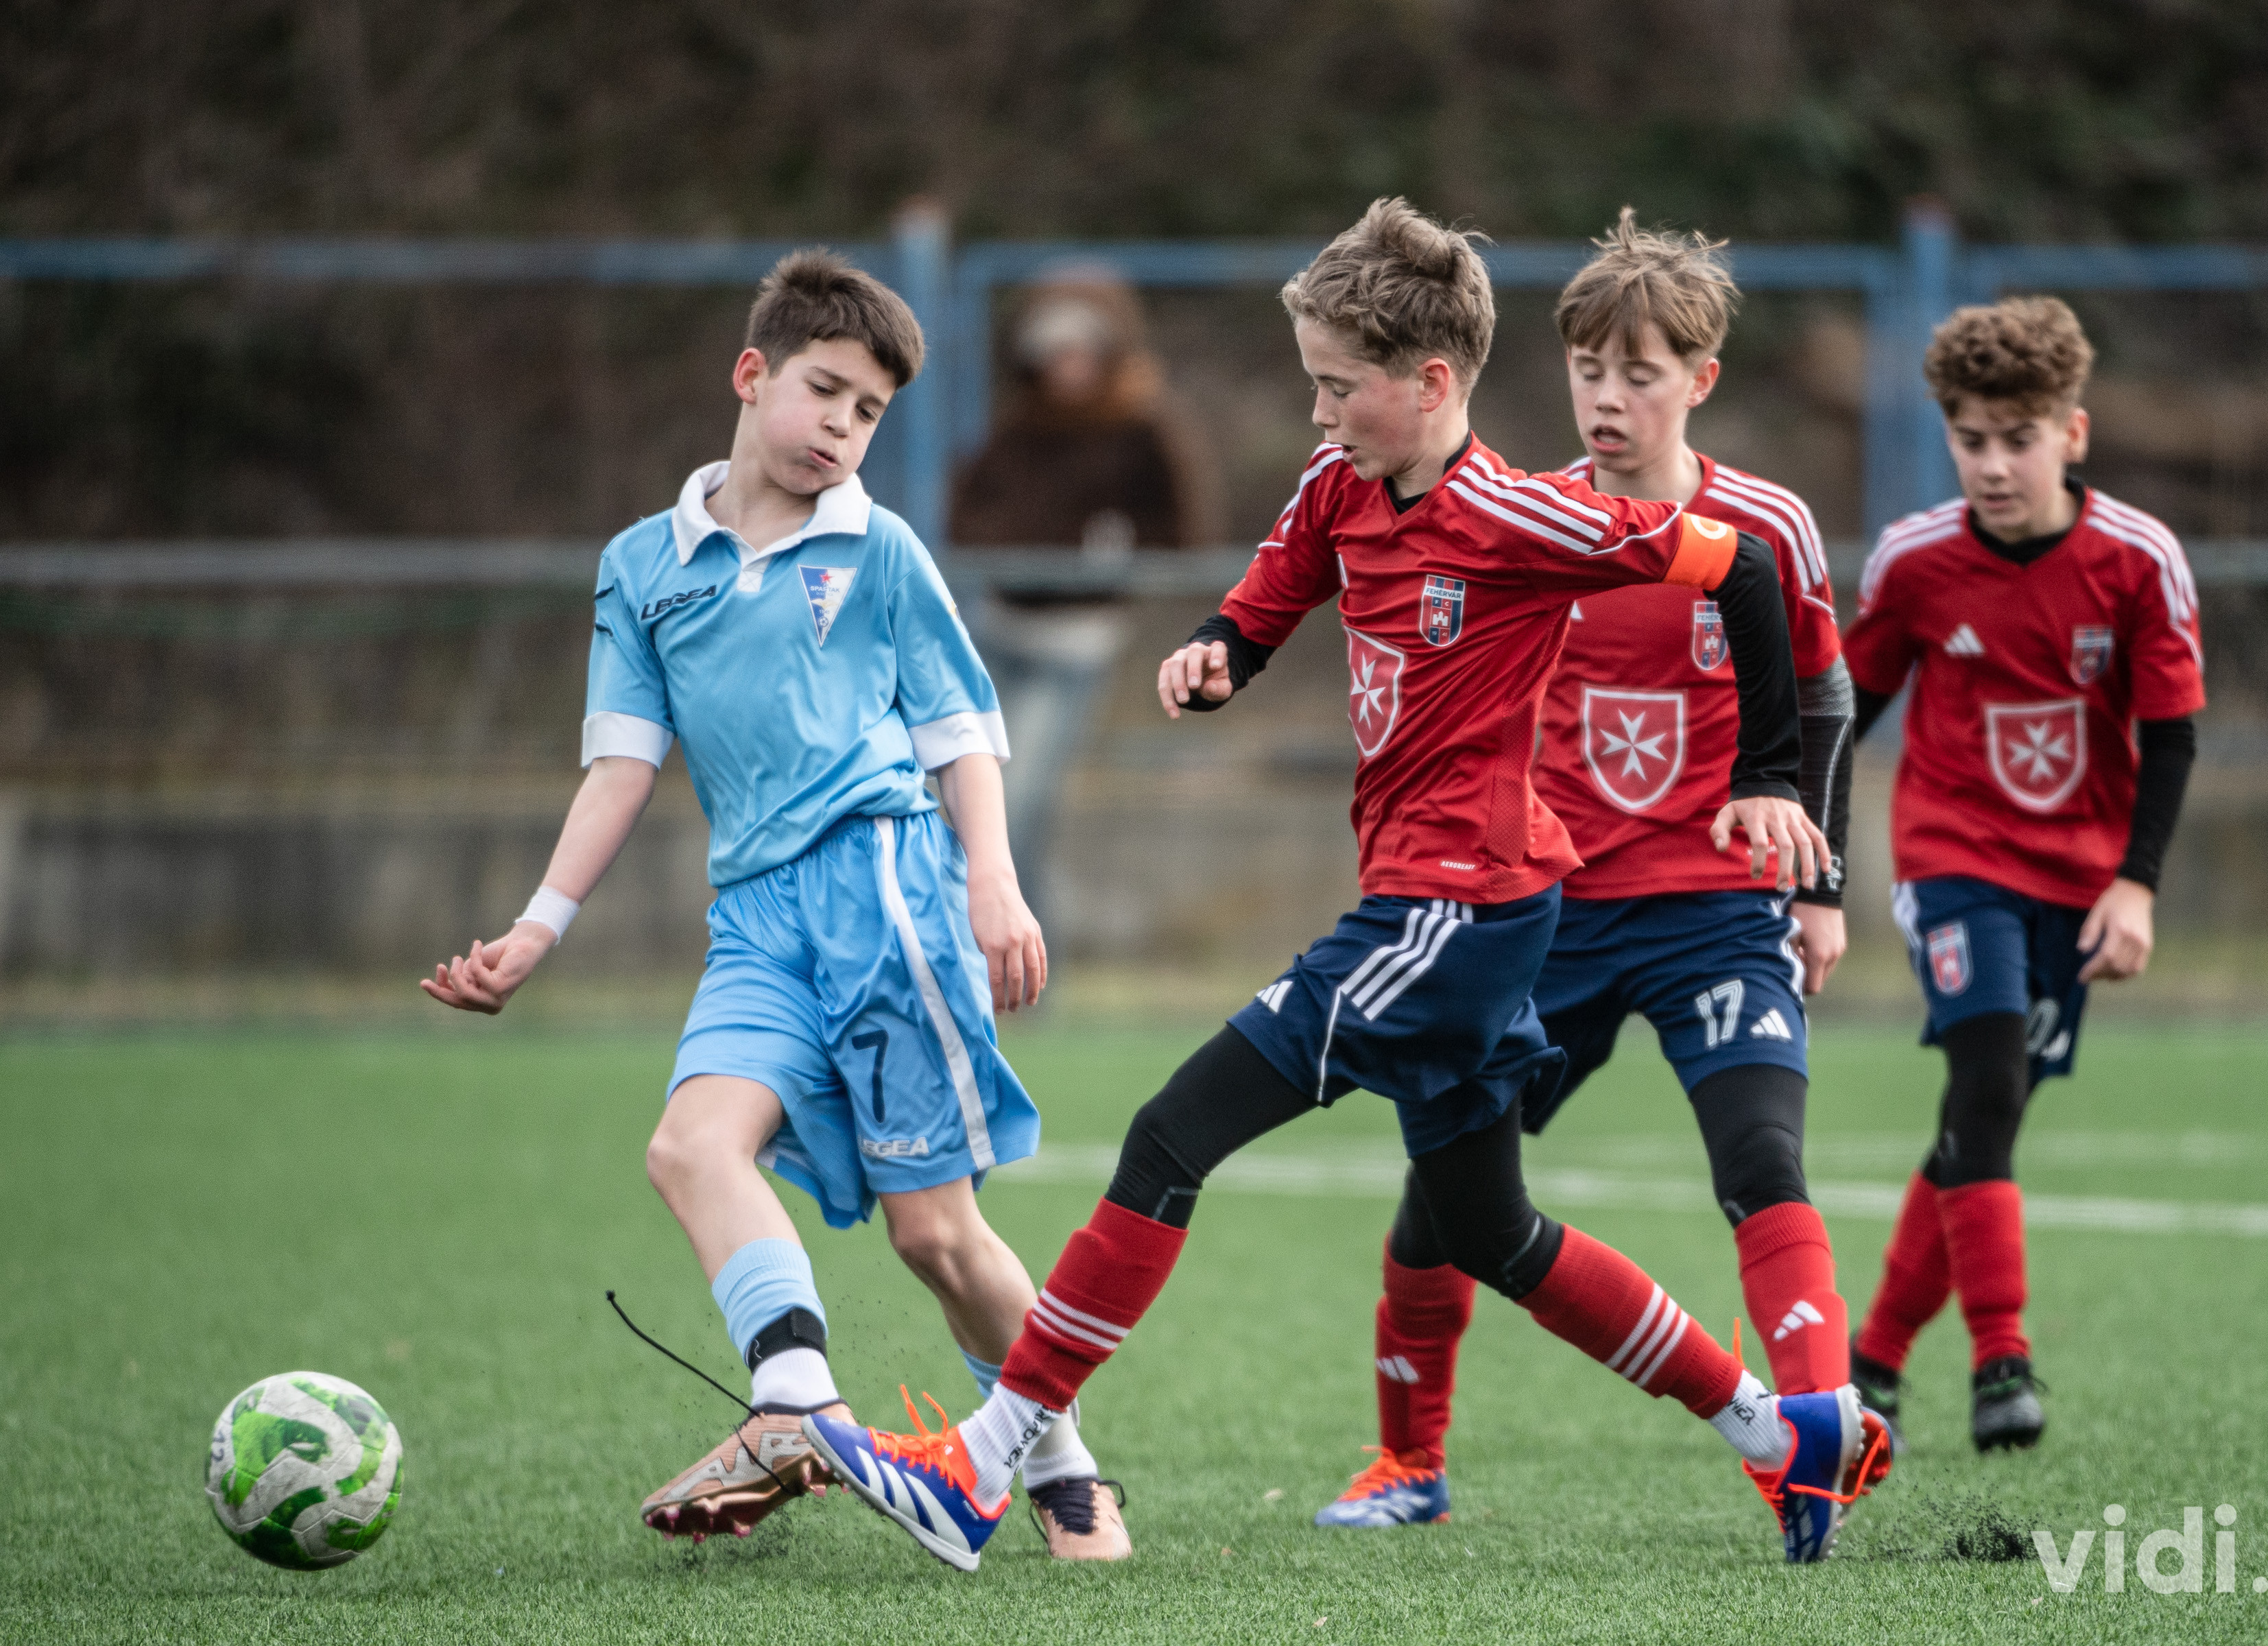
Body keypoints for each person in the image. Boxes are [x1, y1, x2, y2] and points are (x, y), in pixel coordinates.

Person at [800, 199, 1890, 1573]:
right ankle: (1776, 1434)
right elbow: (1275, 589)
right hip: (1468, 911)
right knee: (1492, 1229)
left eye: (1336, 386)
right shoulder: (1340, 484)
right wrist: (1221, 652)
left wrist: (1773, 777)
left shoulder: (1520, 515)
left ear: (1430, 382)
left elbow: (1742, 571)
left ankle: (983, 1463)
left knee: (1169, 1135)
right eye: (1311, 382)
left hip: (1456, 914)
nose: (1316, 414)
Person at [418, 249, 1130, 1560]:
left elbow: (960, 727)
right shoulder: (641, 568)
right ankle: (799, 1401)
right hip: (753, 920)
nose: (842, 429)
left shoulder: (878, 546)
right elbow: (621, 766)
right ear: (751, 376)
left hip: (886, 898)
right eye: (824, 393)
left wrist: (993, 878)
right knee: (690, 1149)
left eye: (869, 413)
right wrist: (536, 928)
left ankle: (1063, 1466)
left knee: (936, 1236)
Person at [1313, 212, 1860, 1541]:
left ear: (1702, 380)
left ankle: (1819, 1435)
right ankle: (1408, 1464)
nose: (1609, 398)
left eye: (1641, 374)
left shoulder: (1766, 525)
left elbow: (1826, 699)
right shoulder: (1528, 518)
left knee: (1762, 1158)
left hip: (1715, 913)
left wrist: (1819, 881)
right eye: (1588, 370)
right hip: (1543, 916)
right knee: (1447, 1198)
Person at [1841, 296, 2203, 1453]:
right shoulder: (1915, 561)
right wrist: (1810, 865)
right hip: (1953, 861)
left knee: (1980, 1117)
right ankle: (2003, 1362)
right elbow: (1847, 716)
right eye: (1971, 440)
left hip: (2079, 881)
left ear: (2072, 434)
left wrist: (2136, 885)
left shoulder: (2139, 560)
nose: (1993, 465)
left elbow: (2172, 736)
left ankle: (1872, 1363)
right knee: (1989, 1078)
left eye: (2019, 438)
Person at [947, 269, 1224, 914]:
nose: (1067, 366)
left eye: (1081, 349)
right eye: (1054, 351)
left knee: (1017, 801)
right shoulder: (1018, 429)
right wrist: (1015, 548)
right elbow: (967, 518)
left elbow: (1184, 530)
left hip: (1074, 646)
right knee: (970, 803)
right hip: (997, 634)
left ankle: (1025, 952)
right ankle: (979, 948)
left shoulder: (1144, 428)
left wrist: (1110, 553)